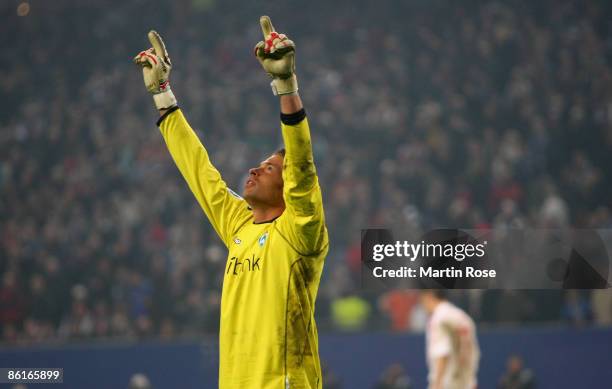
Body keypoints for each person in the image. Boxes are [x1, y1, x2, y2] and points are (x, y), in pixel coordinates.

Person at [133, 16, 329, 389]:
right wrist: (162, 95)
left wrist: (285, 85)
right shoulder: (239, 225)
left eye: (270, 168)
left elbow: (302, 162)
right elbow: (200, 174)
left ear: (289, 189)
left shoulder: (300, 233)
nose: (255, 169)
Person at [420, 291, 480, 389]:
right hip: (468, 383)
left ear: (429, 295)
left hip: (448, 383)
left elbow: (442, 352)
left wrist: (436, 384)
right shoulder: (462, 316)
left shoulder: (439, 318)